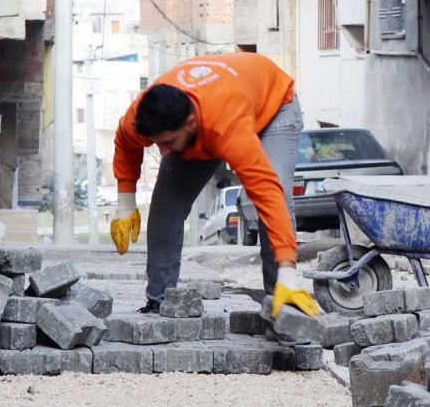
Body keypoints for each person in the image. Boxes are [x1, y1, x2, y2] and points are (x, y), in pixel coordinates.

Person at [109, 53, 320, 327]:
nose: (163, 151)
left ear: (190, 124)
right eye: (156, 143)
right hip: (219, 101)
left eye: (168, 142)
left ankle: (283, 299)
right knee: (165, 207)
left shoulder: (227, 129)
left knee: (275, 193)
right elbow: (126, 144)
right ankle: (159, 302)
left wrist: (289, 269)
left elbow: (267, 194)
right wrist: (126, 201)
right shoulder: (142, 116)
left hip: (273, 106)